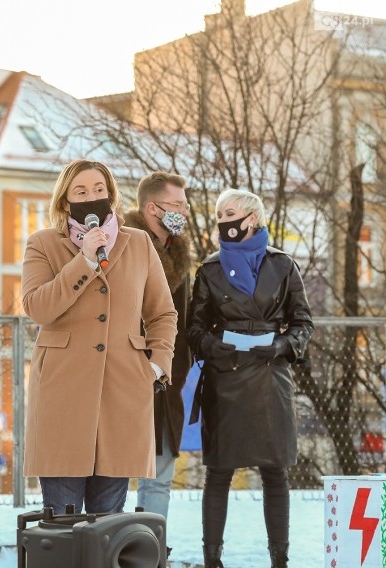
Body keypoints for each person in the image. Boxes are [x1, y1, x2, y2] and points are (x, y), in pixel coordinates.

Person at [21, 159, 177, 515]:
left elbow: (162, 313)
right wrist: (85, 262)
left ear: (111, 196)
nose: (91, 197)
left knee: (108, 527)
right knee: (63, 524)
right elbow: (37, 308)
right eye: (80, 191)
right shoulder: (43, 244)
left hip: (122, 393)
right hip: (62, 395)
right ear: (64, 201)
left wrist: (155, 365)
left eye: (98, 190)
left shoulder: (137, 244)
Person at [187, 188, 313, 568]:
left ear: (251, 219)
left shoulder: (284, 265)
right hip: (226, 379)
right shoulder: (209, 269)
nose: (222, 220)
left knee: (275, 472)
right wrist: (213, 347)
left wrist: (278, 347)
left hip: (271, 377)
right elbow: (193, 328)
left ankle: (280, 560)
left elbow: (304, 323)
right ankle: (212, 560)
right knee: (219, 472)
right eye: (219, 214)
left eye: (229, 213)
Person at [123, 172, 192, 552]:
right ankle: (113, 548)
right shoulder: (124, 246)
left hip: (167, 387)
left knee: (160, 478)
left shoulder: (179, 256)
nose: (184, 212)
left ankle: (151, 551)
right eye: (178, 205)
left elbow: (183, 322)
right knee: (114, 477)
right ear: (153, 208)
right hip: (124, 380)